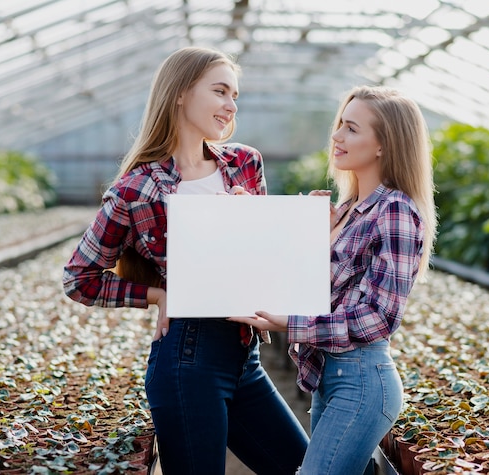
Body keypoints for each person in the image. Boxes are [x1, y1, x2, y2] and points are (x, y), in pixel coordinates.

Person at [62, 46, 309, 474]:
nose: (231, 105)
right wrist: (157, 293)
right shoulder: (137, 188)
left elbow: (262, 264)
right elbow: (79, 278)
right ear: (180, 93)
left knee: (306, 467)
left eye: (235, 95)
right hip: (187, 361)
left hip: (245, 359)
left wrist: (292, 225)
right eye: (220, 91)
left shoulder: (245, 164)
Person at [230, 85, 437, 475]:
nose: (337, 135)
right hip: (332, 378)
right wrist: (256, 220)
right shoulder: (346, 211)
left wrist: (287, 323)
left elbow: (378, 318)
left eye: (352, 128)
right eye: (340, 123)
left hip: (362, 382)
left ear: (383, 145)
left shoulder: (395, 211)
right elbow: (304, 285)